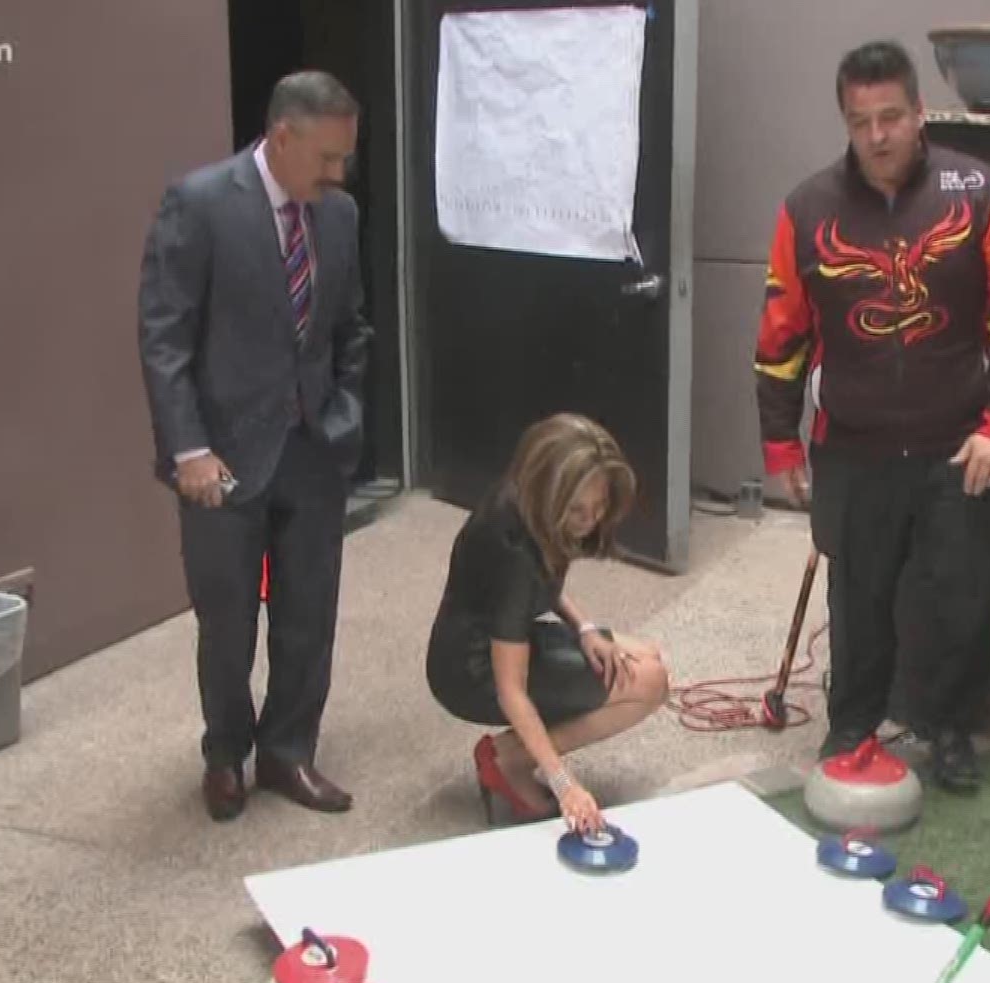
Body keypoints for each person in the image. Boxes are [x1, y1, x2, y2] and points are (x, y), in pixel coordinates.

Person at [752, 40, 990, 792]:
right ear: (846, 124)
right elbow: (781, 338)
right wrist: (781, 444)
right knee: (859, 601)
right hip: (853, 447)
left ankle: (949, 732)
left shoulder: (982, 192)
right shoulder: (806, 209)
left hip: (959, 446)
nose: (878, 135)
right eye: (860, 122)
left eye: (891, 116)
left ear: (920, 112)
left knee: (959, 597)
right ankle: (851, 727)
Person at [137, 71, 371, 822]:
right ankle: (225, 752)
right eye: (327, 158)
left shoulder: (338, 216)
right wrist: (187, 450)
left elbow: (351, 329)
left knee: (310, 612)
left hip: (313, 447)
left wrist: (350, 413)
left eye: (345, 161)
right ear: (282, 137)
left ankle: (288, 751)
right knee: (228, 618)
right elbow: (164, 338)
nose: (338, 176)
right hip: (223, 458)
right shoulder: (201, 203)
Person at [426, 413, 671, 835]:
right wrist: (565, 784)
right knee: (649, 683)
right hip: (470, 669)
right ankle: (510, 758)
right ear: (550, 497)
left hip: (498, 632)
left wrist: (586, 628)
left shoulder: (525, 498)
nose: (590, 521)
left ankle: (516, 753)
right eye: (577, 510)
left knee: (645, 655)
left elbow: (545, 579)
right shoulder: (513, 552)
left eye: (598, 507)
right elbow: (511, 690)